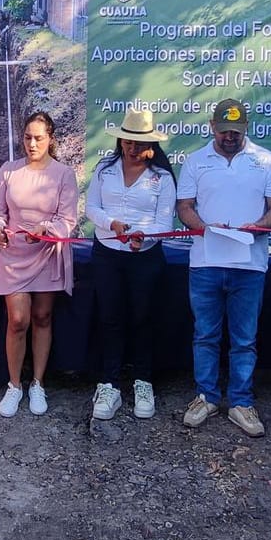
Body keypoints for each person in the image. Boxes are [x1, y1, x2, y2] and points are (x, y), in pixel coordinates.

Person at [176, 98, 271, 438]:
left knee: (244, 339)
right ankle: (206, 396)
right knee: (205, 335)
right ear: (212, 126)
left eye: (236, 132)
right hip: (206, 262)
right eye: (224, 130)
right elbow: (184, 206)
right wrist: (203, 226)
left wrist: (258, 225)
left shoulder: (266, 160)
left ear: (246, 128)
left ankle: (241, 402)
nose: (230, 137)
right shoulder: (196, 161)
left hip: (250, 264)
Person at [0, 111, 78, 418]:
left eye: (38, 138)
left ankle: (38, 382)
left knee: (42, 316)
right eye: (27, 137)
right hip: (13, 255)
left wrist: (47, 231)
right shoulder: (8, 171)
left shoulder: (64, 174)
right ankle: (14, 384)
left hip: (47, 253)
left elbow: (68, 219)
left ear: (51, 139)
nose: (32, 143)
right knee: (18, 320)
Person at [84, 108, 175, 421]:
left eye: (139, 142)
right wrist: (112, 224)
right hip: (107, 253)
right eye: (127, 141)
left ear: (151, 142)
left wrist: (143, 238)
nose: (132, 147)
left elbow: (165, 219)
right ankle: (108, 384)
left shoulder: (161, 177)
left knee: (142, 318)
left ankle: (143, 381)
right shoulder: (104, 169)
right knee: (110, 317)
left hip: (146, 258)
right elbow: (92, 207)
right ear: (120, 140)